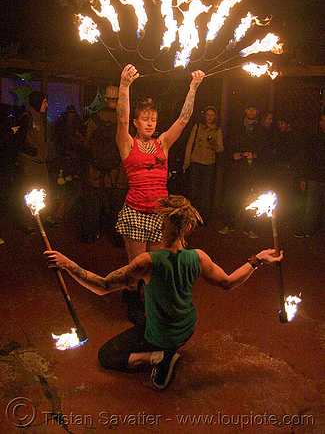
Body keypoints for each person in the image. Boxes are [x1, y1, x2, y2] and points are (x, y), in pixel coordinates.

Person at [44, 195, 283, 390]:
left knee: (106, 356)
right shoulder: (198, 257)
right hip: (186, 328)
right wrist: (257, 259)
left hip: (160, 336)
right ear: (188, 228)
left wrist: (67, 264)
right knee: (138, 317)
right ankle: (165, 347)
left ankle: (159, 357)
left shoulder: (148, 261)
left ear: (160, 225)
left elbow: (102, 286)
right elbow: (229, 282)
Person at [115, 64, 205, 324]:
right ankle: (131, 298)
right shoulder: (127, 143)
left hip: (159, 214)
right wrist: (124, 84)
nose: (150, 122)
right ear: (136, 121)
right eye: (145, 118)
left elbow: (184, 120)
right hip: (135, 212)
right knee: (137, 264)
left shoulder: (162, 142)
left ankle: (146, 300)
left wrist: (193, 87)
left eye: (153, 118)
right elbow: (121, 118)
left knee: (154, 265)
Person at [78, 86, 128, 244]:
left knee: (93, 206)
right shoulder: (123, 120)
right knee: (117, 208)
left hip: (95, 172)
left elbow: (87, 144)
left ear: (105, 99)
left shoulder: (94, 119)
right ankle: (119, 239)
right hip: (116, 173)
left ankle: (89, 236)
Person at [218, 105, 264, 238]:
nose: (251, 111)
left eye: (254, 109)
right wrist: (234, 154)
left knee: (251, 197)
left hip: (252, 170)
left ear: (257, 111)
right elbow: (229, 145)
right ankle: (229, 224)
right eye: (249, 109)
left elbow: (266, 151)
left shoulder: (261, 130)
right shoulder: (237, 127)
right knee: (232, 196)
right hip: (237, 168)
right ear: (245, 110)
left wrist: (254, 155)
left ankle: (249, 227)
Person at [15, 91, 56, 233]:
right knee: (29, 192)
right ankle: (27, 222)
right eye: (44, 102)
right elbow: (18, 139)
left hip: (40, 162)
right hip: (29, 162)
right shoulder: (27, 118)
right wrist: (30, 150)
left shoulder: (39, 118)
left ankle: (43, 217)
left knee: (44, 189)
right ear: (37, 102)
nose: (47, 105)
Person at [182, 106, 224, 223]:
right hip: (196, 161)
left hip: (209, 163)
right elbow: (190, 144)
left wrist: (214, 143)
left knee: (206, 192)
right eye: (208, 115)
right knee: (194, 190)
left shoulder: (217, 130)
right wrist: (186, 161)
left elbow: (220, 148)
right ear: (204, 116)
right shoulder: (197, 127)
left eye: (212, 115)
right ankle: (192, 216)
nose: (210, 118)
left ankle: (203, 217)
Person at [294, 112, 325, 238]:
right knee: (311, 205)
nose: (323, 123)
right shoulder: (314, 139)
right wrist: (304, 178)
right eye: (322, 120)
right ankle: (307, 229)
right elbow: (308, 159)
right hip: (315, 176)